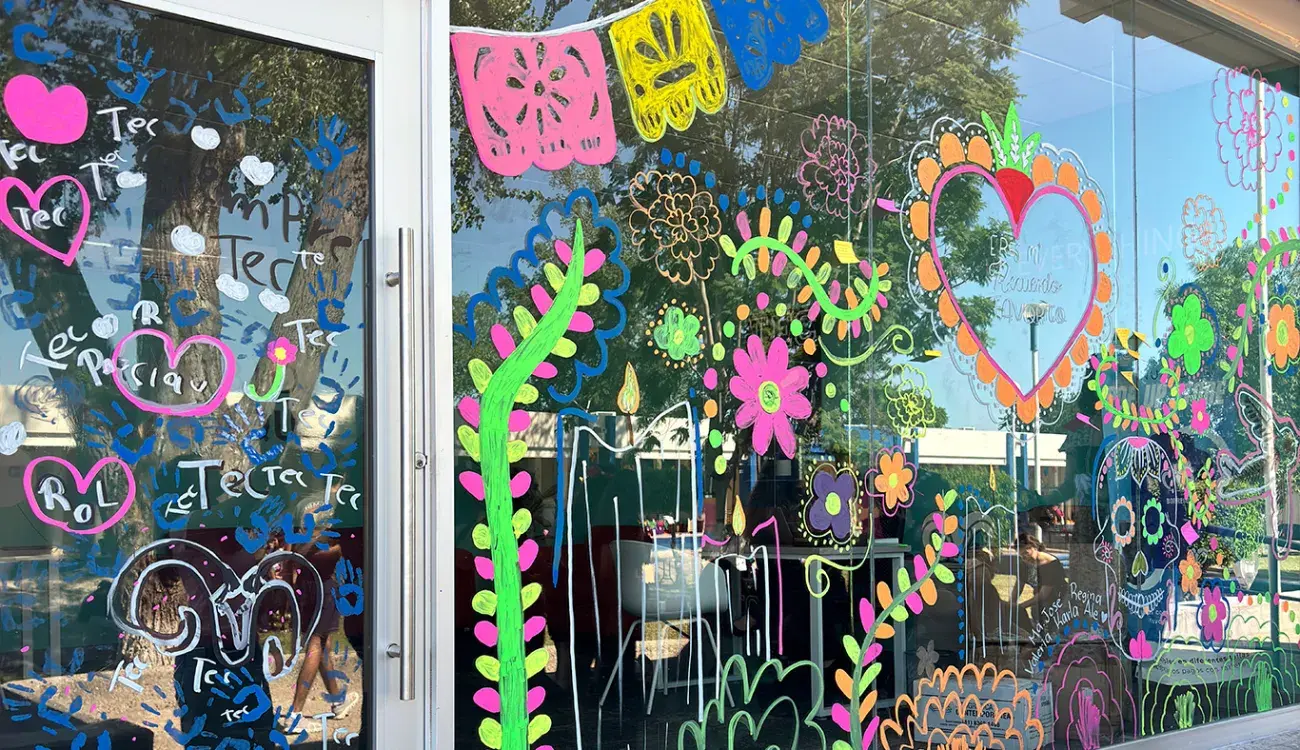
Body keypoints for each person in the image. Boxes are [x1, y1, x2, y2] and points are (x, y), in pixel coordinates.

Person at [1017, 532, 1067, 624]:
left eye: (1026, 553)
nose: (1024, 558)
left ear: (1035, 548)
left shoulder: (1051, 564)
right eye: (1021, 555)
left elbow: (1044, 595)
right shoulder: (1024, 563)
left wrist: (1020, 606)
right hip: (1039, 605)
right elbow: (1017, 588)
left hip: (1058, 604)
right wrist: (1010, 606)